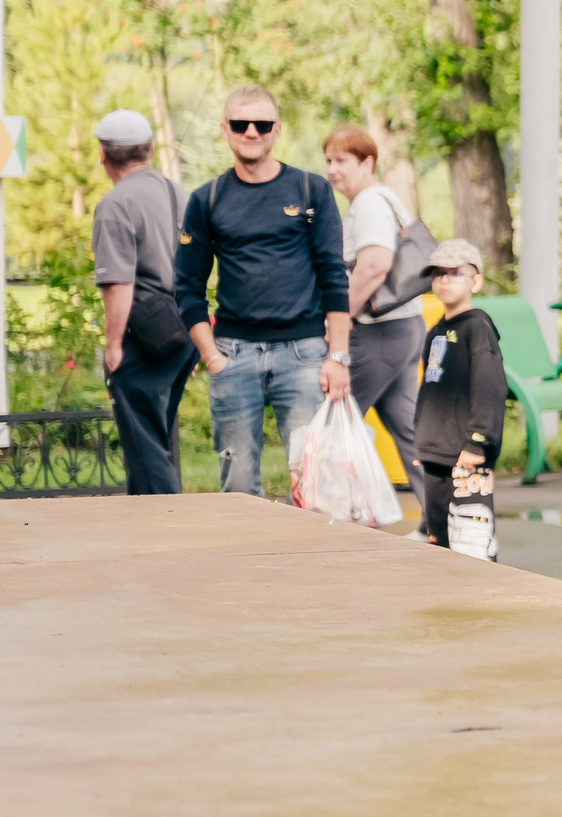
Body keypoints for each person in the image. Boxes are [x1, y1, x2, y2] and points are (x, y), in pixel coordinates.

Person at [175, 85, 351, 496]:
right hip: (233, 356)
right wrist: (211, 355)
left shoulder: (311, 191)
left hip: (304, 354)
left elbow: (334, 277)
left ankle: (308, 559)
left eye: (262, 124)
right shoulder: (207, 199)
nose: (251, 131)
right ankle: (242, 560)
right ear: (225, 130)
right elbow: (186, 287)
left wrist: (337, 357)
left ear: (277, 130)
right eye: (240, 124)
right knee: (236, 484)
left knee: (312, 479)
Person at [323, 126, 422, 524]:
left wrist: (337, 321)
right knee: (409, 431)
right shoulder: (383, 200)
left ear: (367, 163)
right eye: (328, 160)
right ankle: (444, 522)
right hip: (406, 326)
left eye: (342, 160)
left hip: (380, 332)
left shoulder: (368, 203)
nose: (332, 169)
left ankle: (343, 516)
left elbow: (375, 265)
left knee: (334, 425)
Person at [90, 109, 192, 494]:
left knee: (144, 443)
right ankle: (153, 524)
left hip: (143, 337)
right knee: (158, 433)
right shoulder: (179, 194)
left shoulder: (115, 205)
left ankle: (163, 529)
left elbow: (119, 284)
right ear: (149, 149)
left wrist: (114, 345)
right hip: (181, 330)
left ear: (103, 154)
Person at [415, 240, 506, 561]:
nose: (444, 280)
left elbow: (489, 387)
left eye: (455, 273)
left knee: (471, 538)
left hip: (466, 454)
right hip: (436, 452)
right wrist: (423, 442)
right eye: (438, 273)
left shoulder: (477, 328)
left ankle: (481, 598)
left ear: (476, 281)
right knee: (439, 535)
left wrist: (478, 442)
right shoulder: (437, 330)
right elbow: (431, 389)